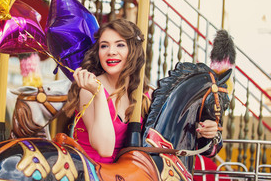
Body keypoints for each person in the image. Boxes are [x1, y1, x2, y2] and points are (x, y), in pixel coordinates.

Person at [63, 19, 218, 163]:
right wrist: (98, 94)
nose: (111, 51)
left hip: (129, 171)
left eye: (120, 45)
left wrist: (203, 131)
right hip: (94, 171)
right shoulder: (89, 90)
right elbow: (105, 149)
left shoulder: (146, 94)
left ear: (133, 51)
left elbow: (163, 138)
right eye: (104, 45)